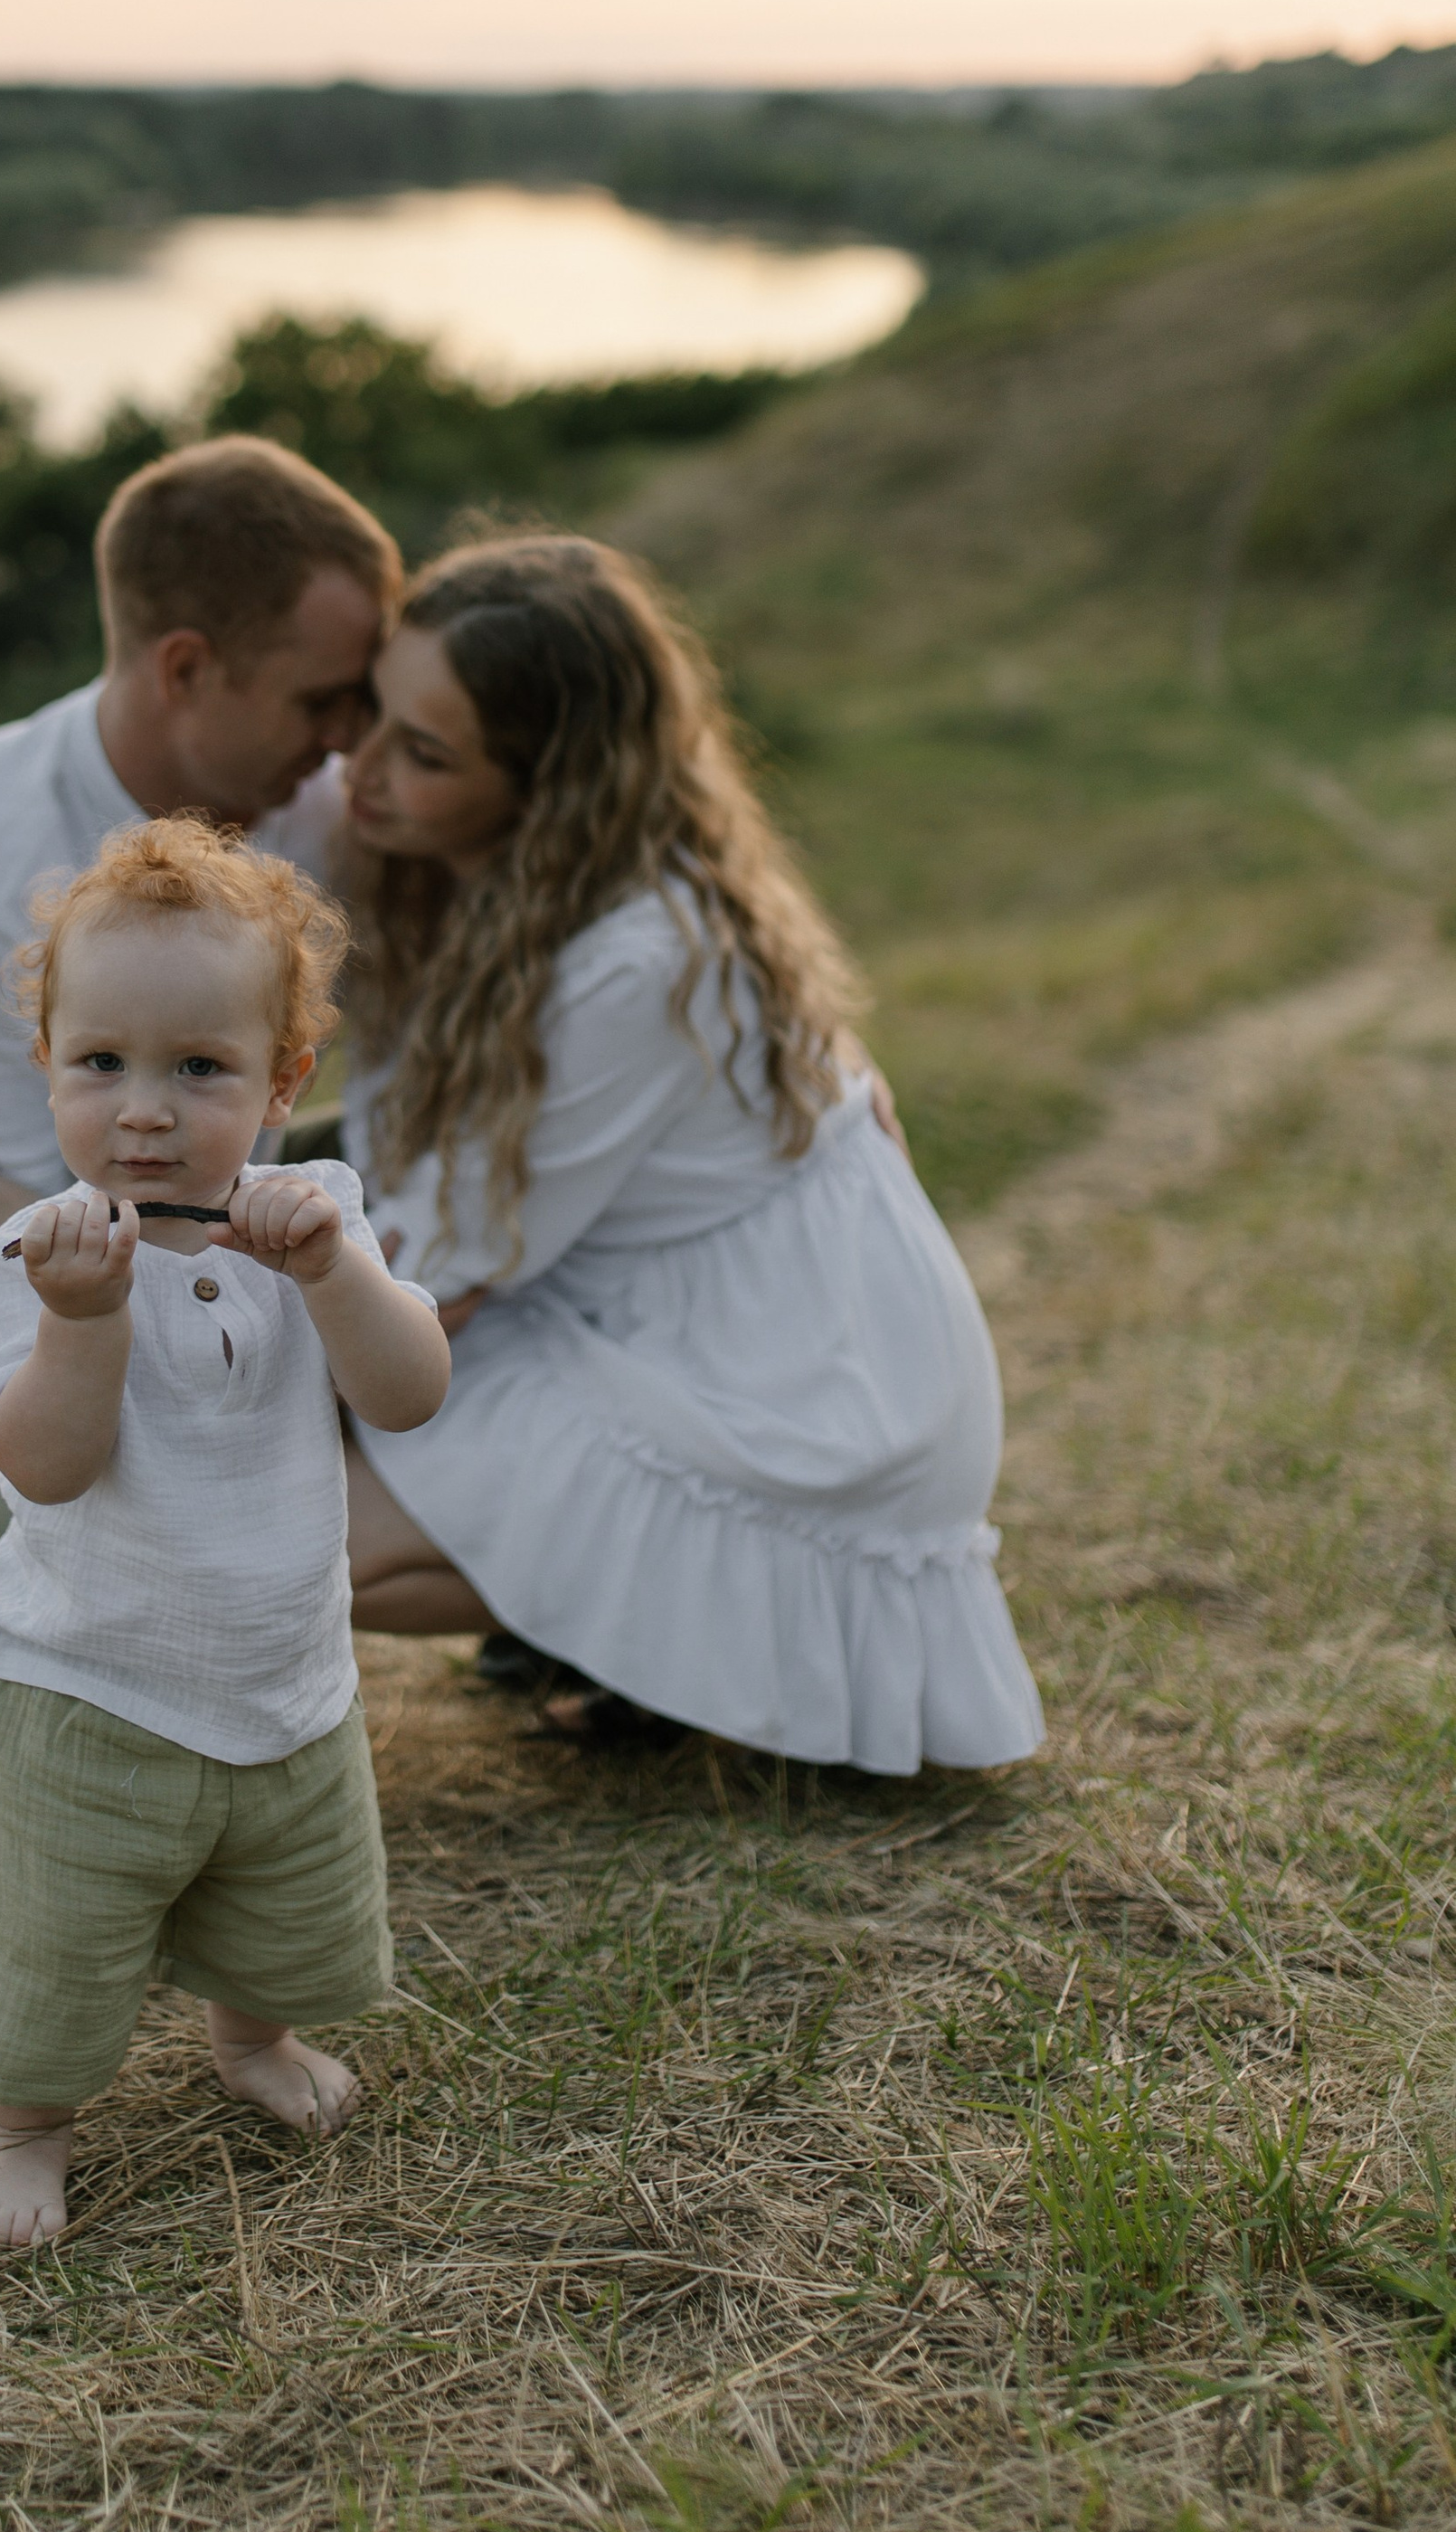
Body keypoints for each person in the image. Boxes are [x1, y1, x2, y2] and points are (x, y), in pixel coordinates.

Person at [336, 534, 1045, 1776]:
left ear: (548, 785)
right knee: (294, 1462)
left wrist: (161, 1297)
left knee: (306, 1540)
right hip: (656, 1318)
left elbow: (430, 1268)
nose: (361, 769)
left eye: (424, 753)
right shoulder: (483, 876)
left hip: (798, 1401)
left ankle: (664, 1639)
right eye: (369, 717)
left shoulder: (646, 958)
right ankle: (622, 1638)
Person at [0, 818, 449, 2244]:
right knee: (55, 1932)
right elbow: (44, 1470)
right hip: (90, 1682)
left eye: (197, 1068)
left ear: (280, 1083)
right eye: (102, 1065)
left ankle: (249, 2041)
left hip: (281, 1673)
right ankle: (25, 2122)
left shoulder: (315, 1220)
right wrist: (85, 1328)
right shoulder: (45, 1255)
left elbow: (408, 1394)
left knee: (280, 1902)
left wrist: (332, 1279)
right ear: (50, 1068)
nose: (143, 1109)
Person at [0, 437, 401, 1687]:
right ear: (188, 671)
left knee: (395, 1327)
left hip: (199, 1177)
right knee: (193, 1470)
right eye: (324, 699)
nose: (354, 736)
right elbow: (26, 1227)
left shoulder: (319, 796)